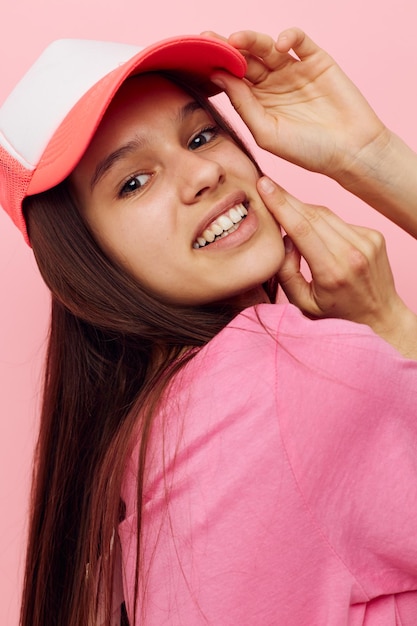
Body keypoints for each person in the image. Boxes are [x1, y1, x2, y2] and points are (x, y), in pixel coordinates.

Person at [0, 28, 416, 626]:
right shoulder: (290, 379)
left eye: (201, 136)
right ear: (86, 263)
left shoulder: (150, 445)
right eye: (133, 182)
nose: (201, 175)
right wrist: (390, 321)